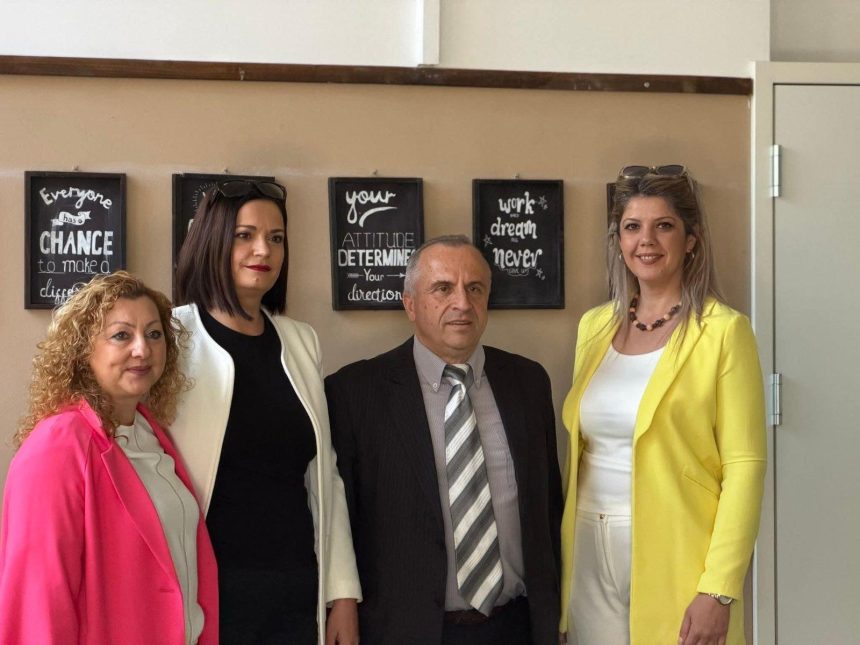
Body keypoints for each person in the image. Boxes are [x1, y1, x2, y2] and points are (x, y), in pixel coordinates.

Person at [559, 165, 767, 645]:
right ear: (619, 240)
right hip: (588, 546)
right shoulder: (594, 326)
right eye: (632, 226)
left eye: (664, 226)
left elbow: (745, 467)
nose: (646, 240)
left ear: (690, 240)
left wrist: (719, 589)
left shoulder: (723, 331)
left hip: (677, 550)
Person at [326, 235, 563, 645]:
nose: (462, 303)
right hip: (407, 630)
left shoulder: (528, 382)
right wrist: (340, 601)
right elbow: (337, 517)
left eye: (475, 288)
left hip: (515, 625)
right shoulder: (355, 392)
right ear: (410, 304)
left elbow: (548, 509)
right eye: (442, 288)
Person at [170, 178, 361, 644]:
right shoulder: (171, 337)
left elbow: (324, 475)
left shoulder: (301, 340)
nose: (264, 250)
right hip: (205, 594)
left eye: (276, 238)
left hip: (295, 592)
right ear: (213, 242)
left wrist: (342, 594)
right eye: (245, 235)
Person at [0, 271, 218, 644]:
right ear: (83, 350)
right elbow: (36, 604)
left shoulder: (153, 434)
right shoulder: (57, 446)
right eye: (121, 335)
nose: (142, 349)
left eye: (154, 334)